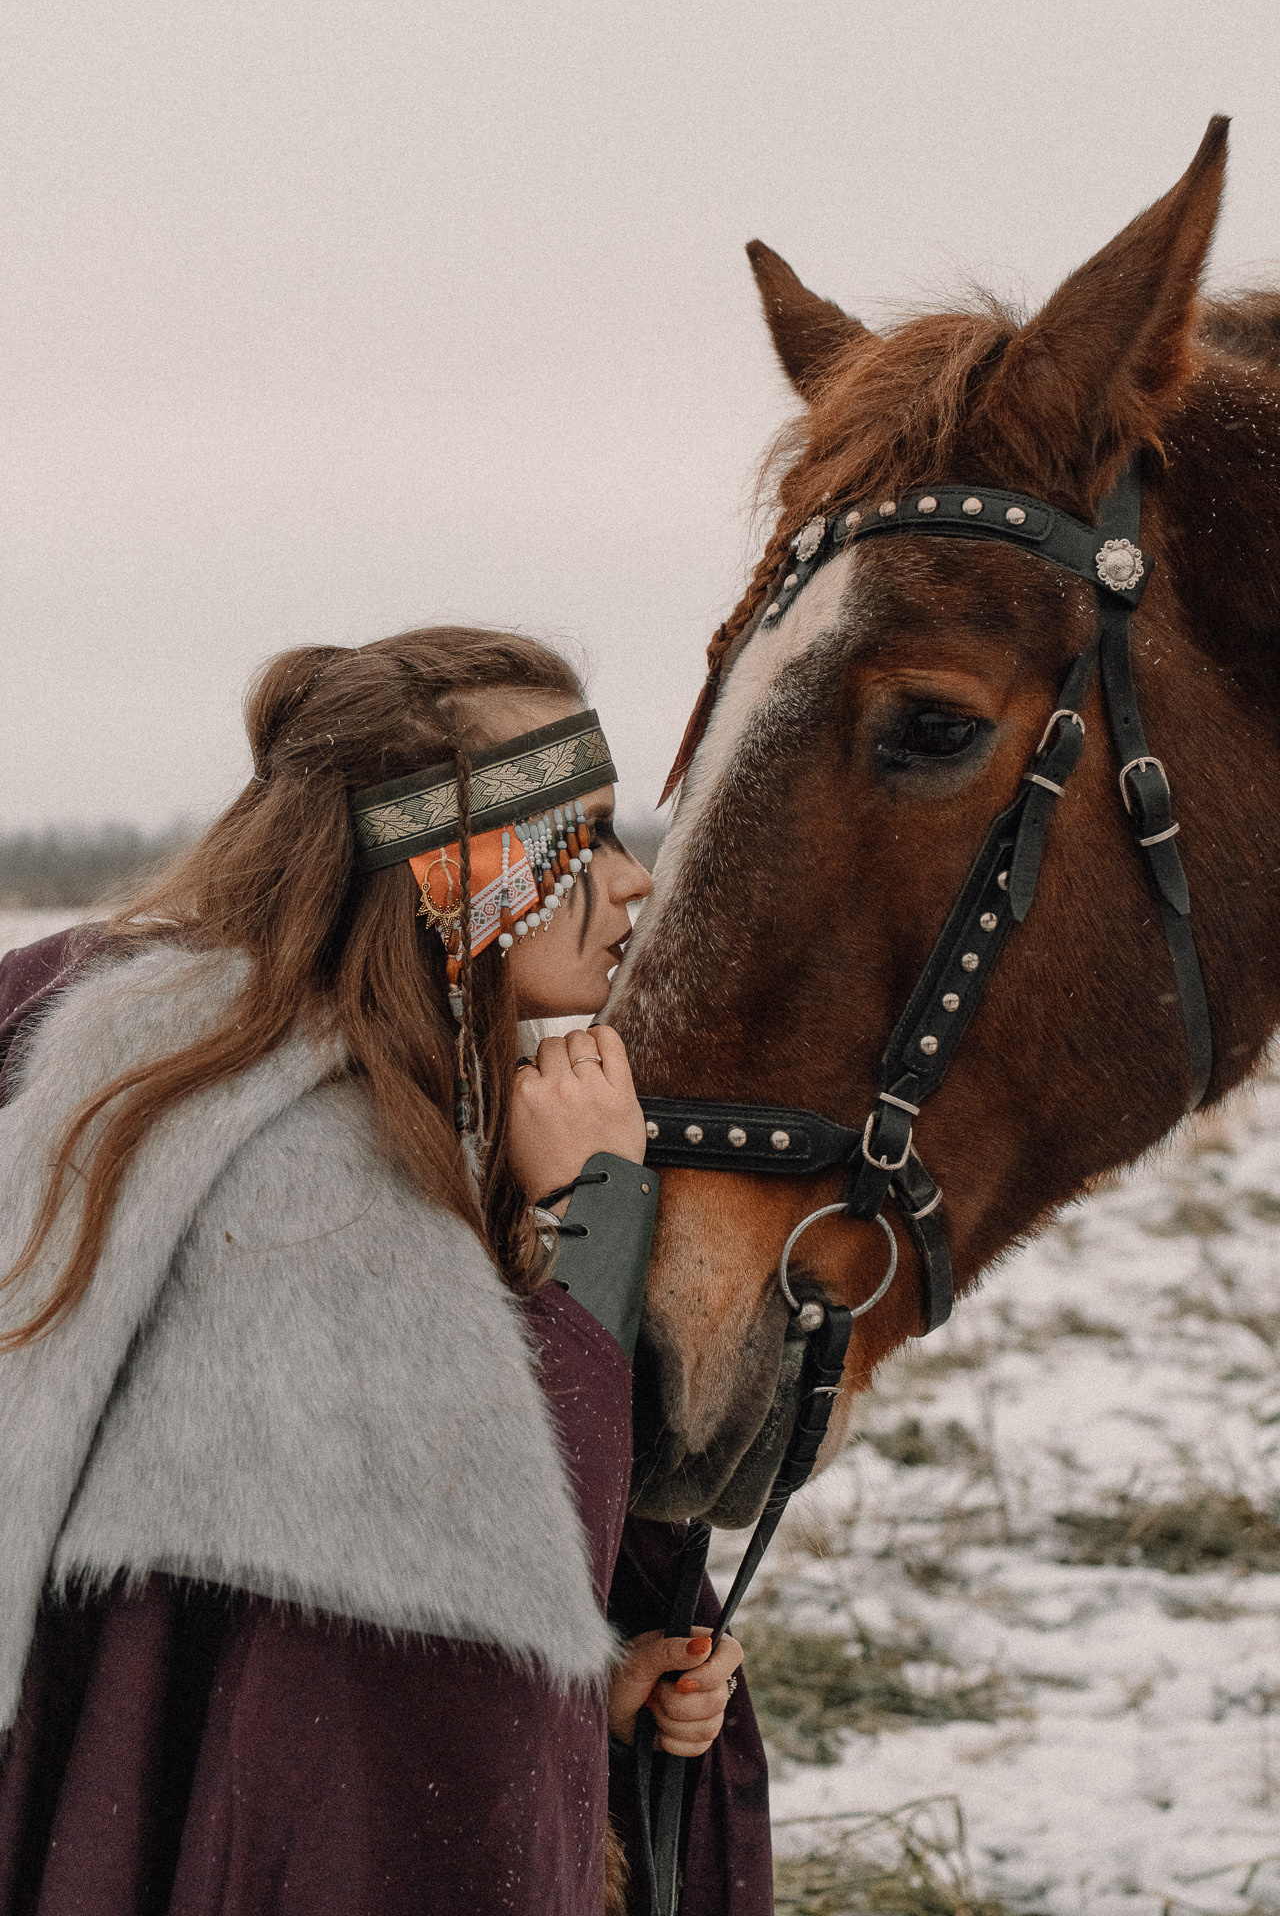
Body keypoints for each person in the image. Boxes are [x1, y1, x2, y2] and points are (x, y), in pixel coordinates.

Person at [0, 626, 772, 1916]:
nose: (633, 880)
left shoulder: (325, 1081)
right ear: (449, 869)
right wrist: (594, 1216)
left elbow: (348, 1657)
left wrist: (595, 1683)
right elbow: (434, 1636)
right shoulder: (305, 1176)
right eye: (581, 839)